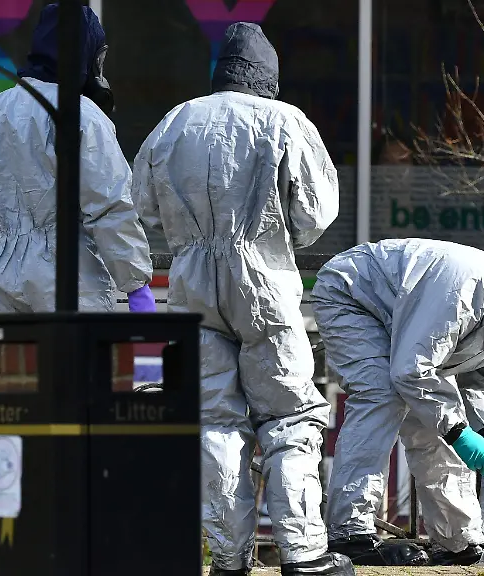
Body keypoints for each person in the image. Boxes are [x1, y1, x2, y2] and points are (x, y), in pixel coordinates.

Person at [132, 23, 349, 576]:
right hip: (264, 282)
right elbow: (316, 216)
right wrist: (272, 238)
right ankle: (303, 553)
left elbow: (143, 205)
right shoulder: (284, 121)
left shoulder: (175, 121)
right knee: (290, 415)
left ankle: (229, 559)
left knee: (213, 421)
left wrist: (190, 236)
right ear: (268, 77)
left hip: (191, 284)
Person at [311, 238, 484, 566]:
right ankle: (350, 534)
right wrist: (459, 431)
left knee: (436, 423)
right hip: (356, 294)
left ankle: (459, 540)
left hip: (411, 321)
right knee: (382, 397)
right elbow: (412, 371)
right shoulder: (461, 292)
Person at [0, 4, 155, 315]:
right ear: (89, 55)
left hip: (2, 284)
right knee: (75, 364)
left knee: (17, 364)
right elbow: (109, 208)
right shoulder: (81, 116)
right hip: (72, 282)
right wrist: (137, 286)